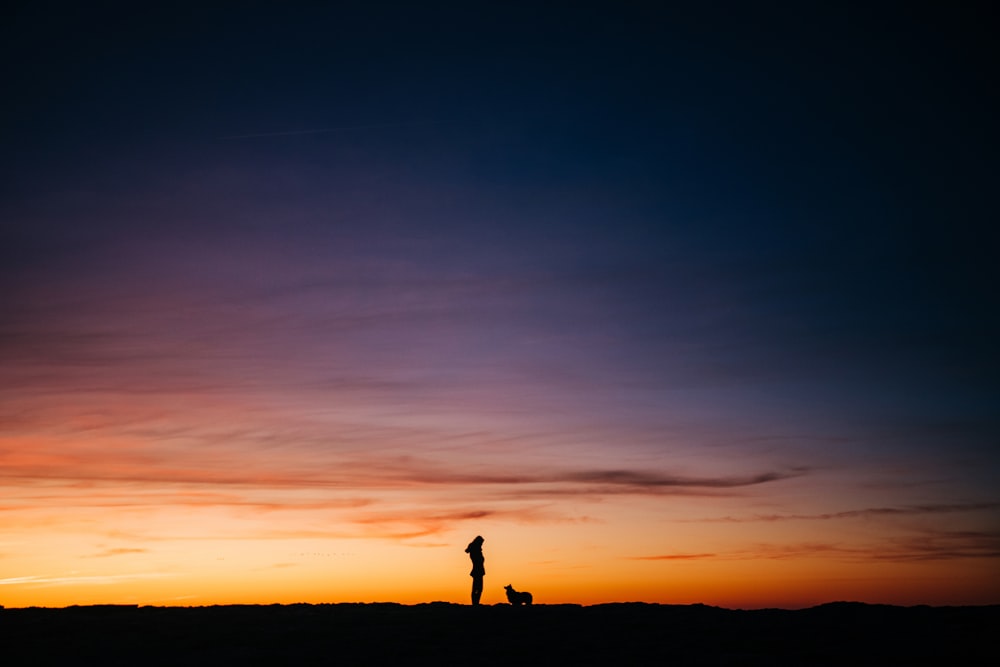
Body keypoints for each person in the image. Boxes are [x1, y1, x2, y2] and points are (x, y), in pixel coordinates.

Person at [465, 535, 485, 605]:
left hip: (478, 570)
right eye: (481, 543)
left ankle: (476, 603)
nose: (482, 545)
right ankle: (475, 603)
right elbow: (478, 561)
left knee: (478, 588)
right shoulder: (476, 551)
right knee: (477, 588)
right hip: (477, 571)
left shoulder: (476, 550)